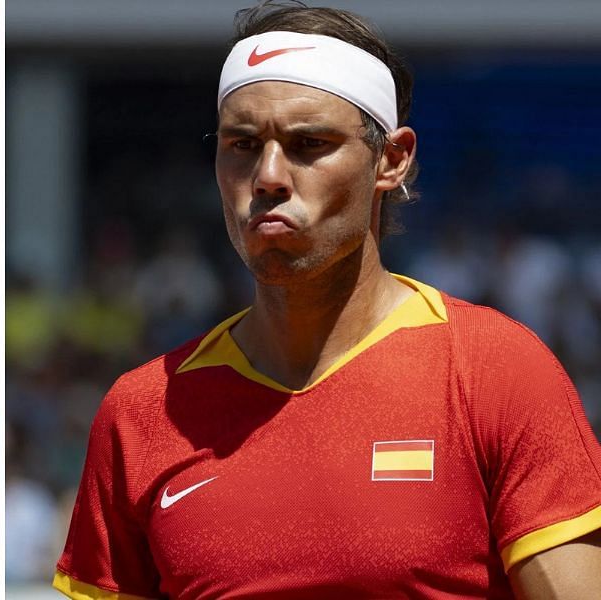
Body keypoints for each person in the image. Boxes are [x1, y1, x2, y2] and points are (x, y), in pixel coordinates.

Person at [54, 3, 601, 598]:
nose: (268, 175)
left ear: (392, 160)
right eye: (241, 144)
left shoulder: (495, 370)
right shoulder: (140, 412)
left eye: (308, 143)